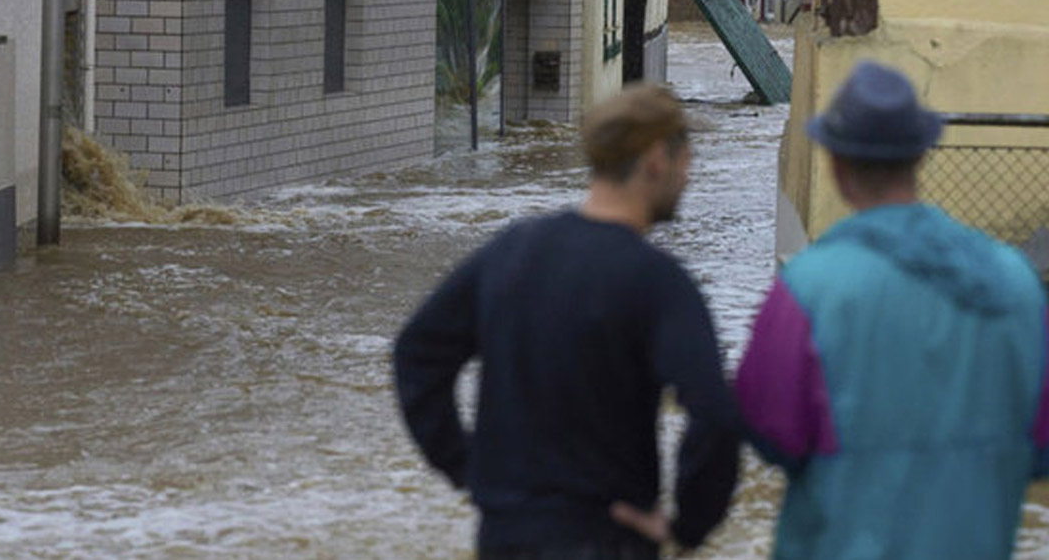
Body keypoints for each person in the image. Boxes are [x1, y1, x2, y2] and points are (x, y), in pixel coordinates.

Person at [393, 84, 741, 559]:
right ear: (657, 157)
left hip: (508, 534)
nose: (688, 173)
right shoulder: (658, 281)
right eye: (686, 158)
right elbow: (715, 413)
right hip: (608, 536)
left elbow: (417, 353)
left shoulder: (511, 252)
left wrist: (468, 468)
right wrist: (689, 526)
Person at [736, 61, 1049, 560]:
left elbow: (773, 433)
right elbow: (1039, 445)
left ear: (836, 166)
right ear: (921, 156)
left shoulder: (808, 288)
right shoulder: (1017, 284)